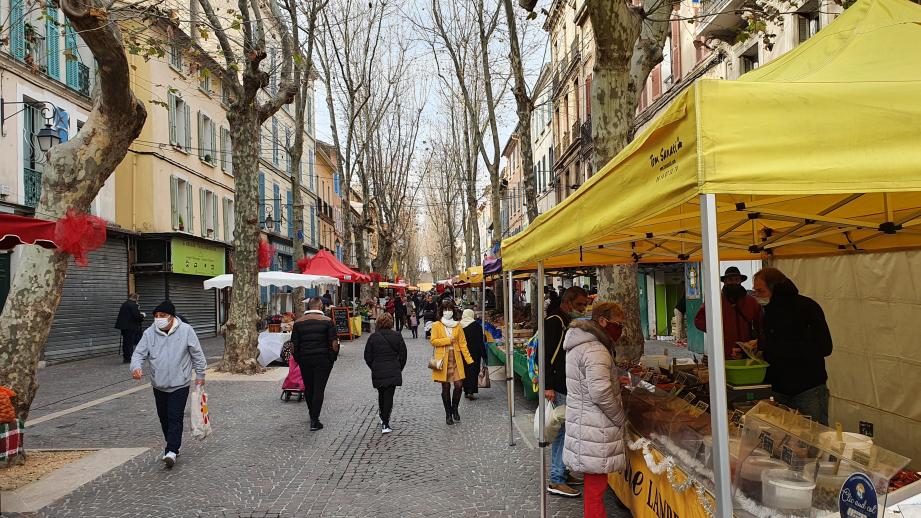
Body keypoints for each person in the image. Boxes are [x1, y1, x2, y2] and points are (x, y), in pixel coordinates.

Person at [563, 301, 627, 518]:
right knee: (595, 488)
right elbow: (600, 392)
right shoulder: (596, 349)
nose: (620, 330)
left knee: (594, 487)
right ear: (602, 321)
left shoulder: (580, 345)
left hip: (585, 422)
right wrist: (619, 417)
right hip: (595, 426)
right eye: (618, 324)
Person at [130, 300, 206, 469]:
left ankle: (171, 450)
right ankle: (173, 444)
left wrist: (200, 375)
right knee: (164, 417)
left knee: (175, 416)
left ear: (172, 317)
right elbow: (138, 354)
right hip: (159, 384)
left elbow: (197, 354)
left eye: (162, 316)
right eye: (156, 316)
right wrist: (136, 367)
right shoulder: (150, 333)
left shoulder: (186, 331)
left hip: (180, 383)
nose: (159, 319)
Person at [753, 267, 833, 425]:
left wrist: (767, 345)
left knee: (814, 439)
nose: (757, 296)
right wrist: (754, 348)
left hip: (808, 388)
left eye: (760, 291)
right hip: (778, 388)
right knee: (781, 440)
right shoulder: (769, 311)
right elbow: (774, 345)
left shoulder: (807, 307)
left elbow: (824, 347)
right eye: (755, 291)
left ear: (774, 288)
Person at [545, 286, 589, 498]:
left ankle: (562, 472)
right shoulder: (555, 321)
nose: (583, 308)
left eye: (585, 304)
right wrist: (548, 386)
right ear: (568, 302)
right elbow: (546, 355)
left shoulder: (564, 320)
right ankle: (556, 478)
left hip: (565, 384)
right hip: (558, 385)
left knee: (567, 431)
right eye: (580, 304)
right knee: (562, 432)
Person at [694, 266, 763, 359]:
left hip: (746, 349)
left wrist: (758, 343)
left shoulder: (752, 301)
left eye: (736, 279)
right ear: (725, 282)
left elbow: (760, 324)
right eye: (730, 280)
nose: (734, 282)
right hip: (723, 350)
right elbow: (699, 321)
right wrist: (716, 331)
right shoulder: (715, 301)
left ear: (740, 281)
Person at [292, 297, 339, 431]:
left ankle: (312, 413)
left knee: (309, 387)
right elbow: (334, 343)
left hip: (305, 359)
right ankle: (314, 419)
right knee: (319, 388)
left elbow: (294, 345)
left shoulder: (298, 322)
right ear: (320, 307)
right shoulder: (328, 322)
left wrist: (298, 358)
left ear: (309, 307)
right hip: (323, 359)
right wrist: (332, 357)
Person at [429, 300, 473, 425]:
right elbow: (433, 341)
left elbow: (463, 343)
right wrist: (447, 340)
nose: (447, 312)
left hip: (456, 358)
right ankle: (448, 413)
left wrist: (469, 359)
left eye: (449, 309)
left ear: (453, 311)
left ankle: (455, 409)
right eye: (445, 309)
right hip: (442, 358)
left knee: (459, 385)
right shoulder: (436, 325)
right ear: (441, 311)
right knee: (446, 387)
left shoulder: (458, 325)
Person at [363, 313, 407, 434]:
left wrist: (374, 366)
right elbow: (403, 355)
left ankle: (383, 416)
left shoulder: (373, 337)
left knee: (381, 393)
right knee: (388, 395)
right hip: (392, 368)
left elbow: (367, 356)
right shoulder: (397, 336)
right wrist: (398, 367)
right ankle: (385, 421)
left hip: (378, 369)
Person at [460, 309, 486, 400]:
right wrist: (484, 354)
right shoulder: (476, 326)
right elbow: (480, 341)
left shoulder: (459, 325)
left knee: (465, 372)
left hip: (463, 353)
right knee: (474, 371)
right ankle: (471, 391)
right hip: (475, 353)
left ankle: (466, 390)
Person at [115, 293, 145, 363]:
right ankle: (129, 358)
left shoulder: (124, 304)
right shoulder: (133, 305)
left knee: (126, 342)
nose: (138, 300)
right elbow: (137, 316)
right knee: (130, 342)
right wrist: (142, 315)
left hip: (124, 327)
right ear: (135, 298)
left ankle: (126, 357)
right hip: (131, 327)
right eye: (138, 298)